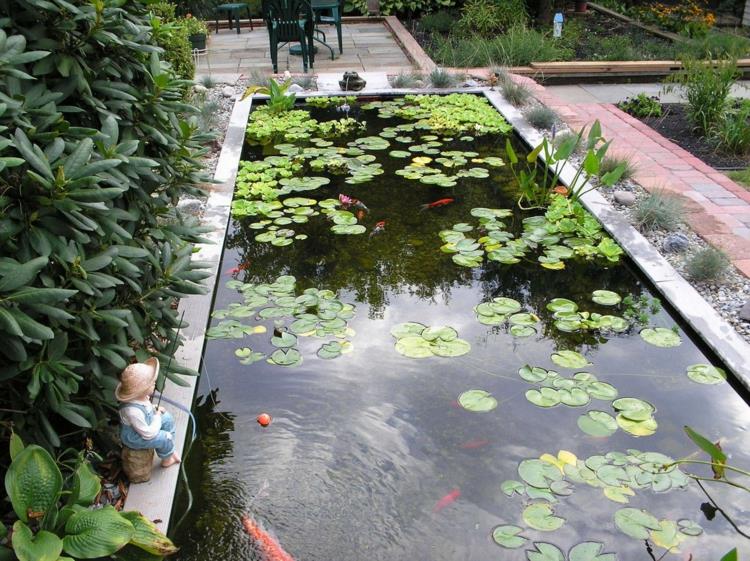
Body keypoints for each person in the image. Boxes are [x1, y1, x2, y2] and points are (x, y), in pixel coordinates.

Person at [116, 358, 181, 468]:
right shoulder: (132, 411)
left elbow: (145, 408)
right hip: (135, 436)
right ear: (141, 390)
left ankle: (169, 449)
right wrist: (157, 417)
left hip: (143, 425)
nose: (154, 383)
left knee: (168, 418)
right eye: (151, 383)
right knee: (166, 437)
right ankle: (167, 459)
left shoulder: (140, 398)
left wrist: (154, 408)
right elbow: (148, 433)